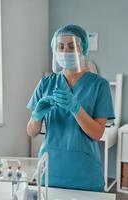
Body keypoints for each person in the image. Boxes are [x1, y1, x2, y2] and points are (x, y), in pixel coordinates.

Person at [26, 24, 115, 192]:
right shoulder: (46, 83)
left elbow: (97, 133)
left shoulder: (99, 85)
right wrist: (36, 116)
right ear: (54, 50)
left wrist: (76, 109)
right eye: (60, 46)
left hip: (85, 171)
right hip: (51, 168)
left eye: (71, 46)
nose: (65, 51)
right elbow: (31, 132)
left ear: (83, 49)